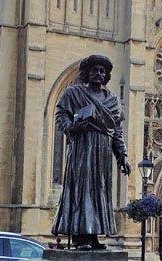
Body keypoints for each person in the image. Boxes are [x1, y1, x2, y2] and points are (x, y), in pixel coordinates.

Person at [51, 55, 131, 250]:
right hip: (82, 148)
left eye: (102, 71)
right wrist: (73, 127)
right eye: (94, 70)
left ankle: (93, 235)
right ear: (86, 74)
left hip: (103, 151)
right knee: (82, 190)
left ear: (106, 76)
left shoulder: (112, 100)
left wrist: (122, 156)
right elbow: (61, 116)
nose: (98, 74)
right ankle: (80, 237)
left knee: (99, 191)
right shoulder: (73, 93)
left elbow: (116, 132)